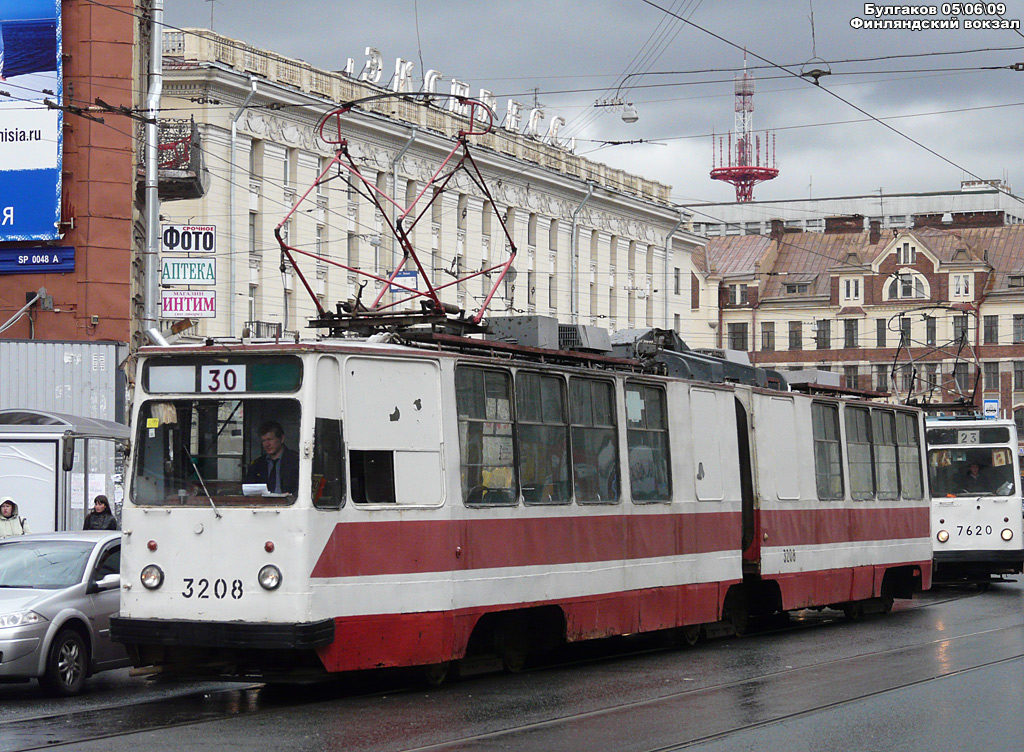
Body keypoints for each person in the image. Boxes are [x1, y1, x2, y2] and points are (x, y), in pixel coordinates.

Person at [244, 421, 299, 495]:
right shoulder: (257, 465)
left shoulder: (296, 462)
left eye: (270, 439)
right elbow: (248, 489)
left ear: (282, 439)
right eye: (264, 440)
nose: (267, 444)